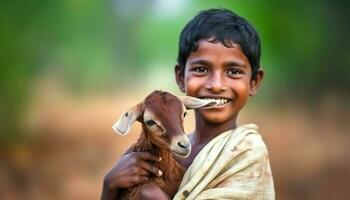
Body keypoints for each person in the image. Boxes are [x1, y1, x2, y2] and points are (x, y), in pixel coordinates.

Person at [101, 8, 275, 200]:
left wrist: (152, 195)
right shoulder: (164, 152)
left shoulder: (247, 154)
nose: (216, 85)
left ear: (254, 82)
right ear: (180, 77)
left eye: (233, 71)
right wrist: (109, 186)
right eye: (201, 69)